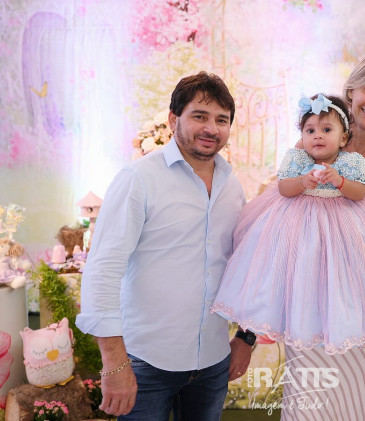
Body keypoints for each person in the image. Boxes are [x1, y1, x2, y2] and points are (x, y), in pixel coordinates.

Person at [213, 90, 365, 420]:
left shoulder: (353, 162)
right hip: (307, 234)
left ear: (344, 137)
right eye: (311, 130)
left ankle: (349, 321)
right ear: (302, 136)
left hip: (344, 231)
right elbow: (284, 188)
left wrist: (340, 181)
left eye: (327, 130)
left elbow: (360, 193)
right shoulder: (298, 160)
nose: (318, 136)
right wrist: (304, 181)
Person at [76, 72, 252, 421]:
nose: (211, 128)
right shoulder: (139, 179)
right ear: (174, 119)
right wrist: (114, 362)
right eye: (200, 116)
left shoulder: (232, 186)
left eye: (222, 120)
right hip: (146, 362)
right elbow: (103, 269)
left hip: (214, 360)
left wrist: (246, 338)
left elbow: (246, 266)